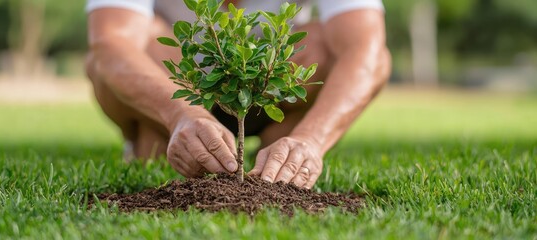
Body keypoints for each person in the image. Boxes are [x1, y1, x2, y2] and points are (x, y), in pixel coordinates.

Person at [85, 0, 391, 189]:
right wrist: (182, 114)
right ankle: (159, 138)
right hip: (176, 93)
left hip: (272, 96)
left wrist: (311, 138)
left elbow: (367, 50)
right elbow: (111, 42)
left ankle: (285, 149)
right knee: (128, 51)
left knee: (325, 44)